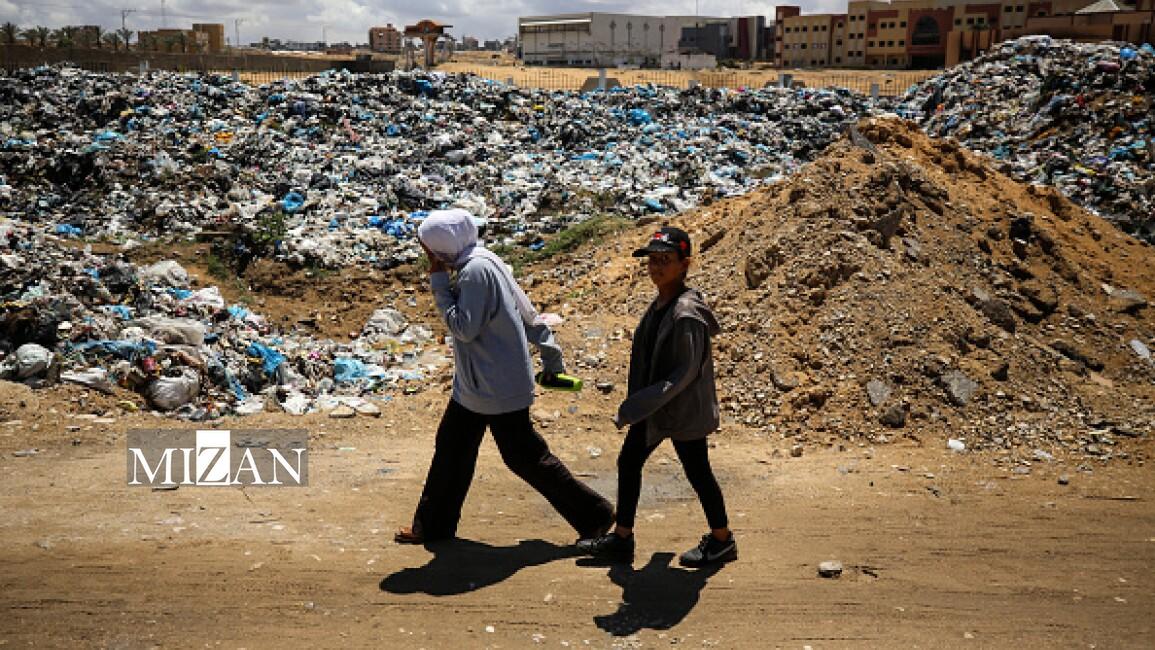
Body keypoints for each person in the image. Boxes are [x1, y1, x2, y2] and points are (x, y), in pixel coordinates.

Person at [395, 209, 614, 545]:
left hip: (493, 385)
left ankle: (595, 514)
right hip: (481, 383)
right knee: (453, 450)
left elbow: (464, 328)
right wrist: (550, 354)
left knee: (524, 458)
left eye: (430, 249)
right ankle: (433, 527)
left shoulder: (474, 272)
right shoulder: (485, 260)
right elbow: (527, 312)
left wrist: (439, 283)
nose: (429, 256)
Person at [577, 226, 736, 567]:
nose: (656, 267)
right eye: (652, 260)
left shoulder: (685, 313)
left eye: (665, 260)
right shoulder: (663, 302)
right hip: (657, 409)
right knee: (630, 461)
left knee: (698, 472)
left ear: (685, 264)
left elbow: (685, 372)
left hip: (680, 411)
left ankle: (722, 540)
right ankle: (622, 538)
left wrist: (638, 405)